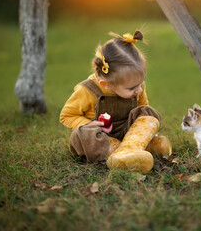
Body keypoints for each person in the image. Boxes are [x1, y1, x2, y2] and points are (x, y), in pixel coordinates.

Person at [60, 30, 172, 173]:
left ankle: (130, 148)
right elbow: (66, 116)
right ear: (107, 84)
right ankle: (124, 152)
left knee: (147, 112)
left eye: (141, 83)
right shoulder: (87, 90)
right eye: (132, 88)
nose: (138, 90)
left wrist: (139, 127)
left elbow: (142, 110)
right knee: (82, 136)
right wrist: (91, 125)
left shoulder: (136, 86)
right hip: (101, 137)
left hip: (128, 133)